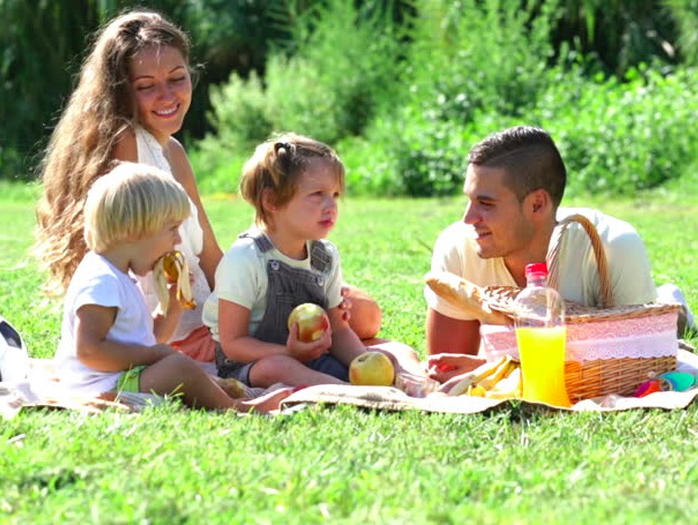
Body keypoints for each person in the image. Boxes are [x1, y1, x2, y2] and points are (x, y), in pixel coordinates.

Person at [33, 9, 381, 364]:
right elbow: (130, 256)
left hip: (210, 309)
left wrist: (249, 287)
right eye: (146, 86)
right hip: (183, 328)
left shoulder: (172, 150)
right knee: (346, 322)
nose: (167, 95)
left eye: (177, 78)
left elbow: (209, 252)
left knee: (363, 311)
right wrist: (233, 320)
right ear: (121, 92)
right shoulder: (127, 144)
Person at [425, 125, 694, 371]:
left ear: (537, 204)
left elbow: (641, 366)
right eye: (469, 200)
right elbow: (445, 368)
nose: (468, 218)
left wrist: (504, 369)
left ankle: (671, 307)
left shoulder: (612, 245)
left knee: (667, 338)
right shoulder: (458, 246)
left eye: (486, 204)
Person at [54, 162, 291, 412]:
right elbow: (90, 351)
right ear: (136, 230)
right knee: (180, 368)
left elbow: (148, 340)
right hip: (101, 387)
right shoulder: (101, 280)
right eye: (172, 229)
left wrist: (173, 308)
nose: (178, 240)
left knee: (184, 366)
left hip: (124, 378)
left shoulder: (120, 276)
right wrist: (155, 356)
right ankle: (238, 409)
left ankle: (219, 393)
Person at [202, 133, 424, 388]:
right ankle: (341, 390)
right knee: (279, 368)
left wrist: (364, 362)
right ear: (272, 200)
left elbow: (339, 331)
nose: (331, 206)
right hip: (250, 364)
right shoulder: (246, 257)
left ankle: (353, 386)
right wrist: (289, 353)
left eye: (336, 194)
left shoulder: (325, 257)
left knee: (391, 354)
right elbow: (233, 344)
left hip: (312, 359)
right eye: (318, 194)